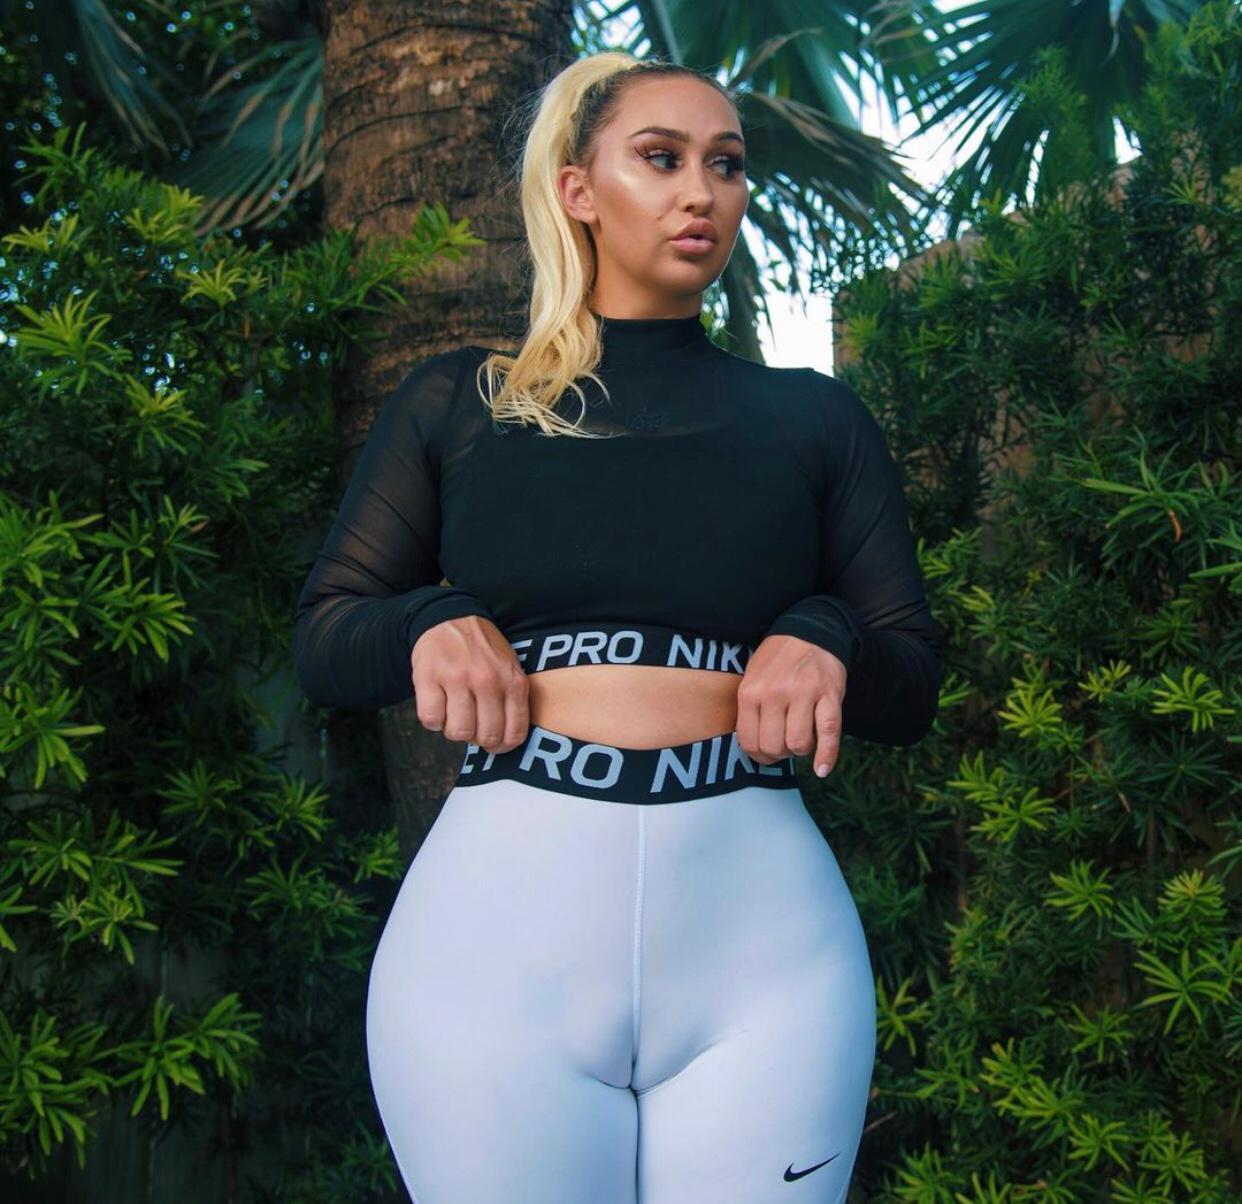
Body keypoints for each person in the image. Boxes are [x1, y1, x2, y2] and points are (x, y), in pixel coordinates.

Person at [293, 50, 940, 1204]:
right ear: (578, 189)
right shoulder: (464, 402)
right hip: (494, 951)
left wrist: (825, 629)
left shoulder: (813, 418)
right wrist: (427, 619)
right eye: (662, 158)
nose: (703, 193)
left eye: (727, 165)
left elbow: (911, 679)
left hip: (765, 952)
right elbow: (329, 635)